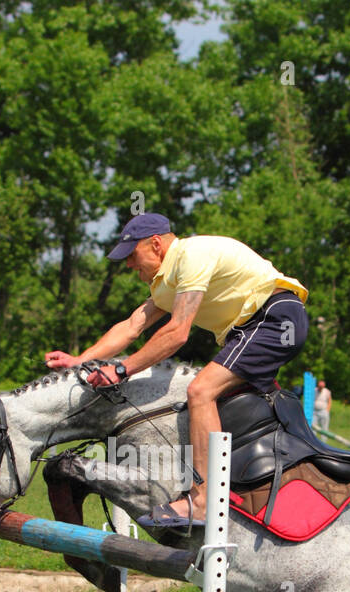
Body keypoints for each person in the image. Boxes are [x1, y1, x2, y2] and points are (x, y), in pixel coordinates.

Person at [44, 213, 308, 528]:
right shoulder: (168, 281)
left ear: (155, 244)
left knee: (200, 391)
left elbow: (178, 332)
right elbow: (131, 327)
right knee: (221, 405)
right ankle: (249, 485)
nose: (129, 265)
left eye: (131, 255)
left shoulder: (191, 257)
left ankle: (202, 501)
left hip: (274, 318)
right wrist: (80, 359)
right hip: (255, 327)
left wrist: (122, 369)